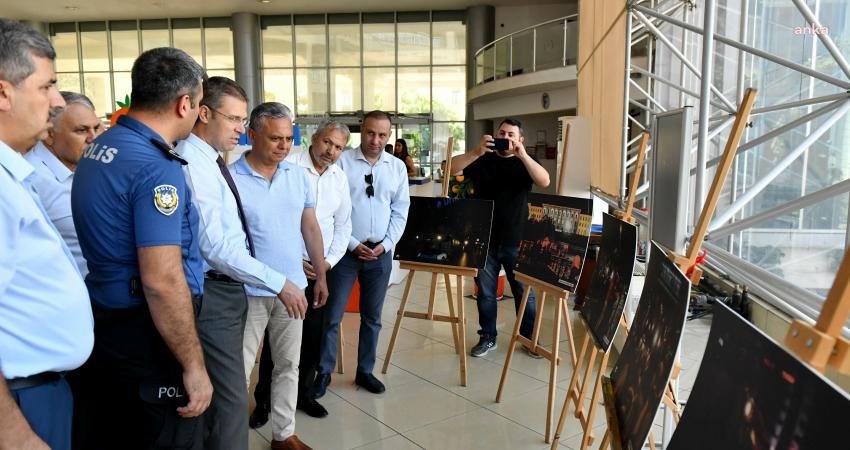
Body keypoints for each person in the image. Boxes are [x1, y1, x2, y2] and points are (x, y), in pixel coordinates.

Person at [71, 47, 213, 449]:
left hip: (107, 321)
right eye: (199, 104)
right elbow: (163, 280)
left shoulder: (102, 146)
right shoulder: (155, 165)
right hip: (148, 332)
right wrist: (193, 365)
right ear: (184, 103)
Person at [175, 77, 306, 450]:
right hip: (227, 288)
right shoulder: (196, 164)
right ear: (203, 113)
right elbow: (215, 244)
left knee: (258, 381)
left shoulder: (213, 162)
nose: (238, 129)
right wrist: (278, 282)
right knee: (231, 396)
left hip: (242, 285)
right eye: (233, 119)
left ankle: (284, 433)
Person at [0, 19, 93, 450]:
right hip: (18, 403)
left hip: (38, 390)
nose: (56, 101)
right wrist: (16, 436)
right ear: (4, 93)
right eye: (46, 86)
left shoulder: (13, 173)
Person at [233, 102, 328, 450]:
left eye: (289, 139)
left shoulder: (297, 176)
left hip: (295, 288)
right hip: (248, 289)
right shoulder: (231, 179)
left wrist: (320, 275)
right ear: (252, 134)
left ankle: (283, 434)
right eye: (275, 138)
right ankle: (230, 438)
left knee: (288, 364)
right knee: (239, 371)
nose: (284, 146)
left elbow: (310, 226)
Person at [312, 110, 410, 398]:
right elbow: (333, 211)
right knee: (332, 314)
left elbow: (400, 211)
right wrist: (353, 244)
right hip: (345, 252)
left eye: (382, 135)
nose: (375, 140)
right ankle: (323, 372)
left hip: (380, 252)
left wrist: (386, 244)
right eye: (370, 133)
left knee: (373, 317)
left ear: (389, 136)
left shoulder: (397, 168)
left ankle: (365, 371)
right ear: (361, 132)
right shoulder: (342, 161)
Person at [450, 118, 550, 358]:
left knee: (524, 293)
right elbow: (449, 169)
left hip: (517, 240)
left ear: (520, 139)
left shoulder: (525, 162)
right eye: (502, 133)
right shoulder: (482, 158)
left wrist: (523, 155)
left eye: (512, 134)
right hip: (484, 239)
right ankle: (488, 337)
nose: (506, 137)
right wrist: (476, 151)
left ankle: (528, 339)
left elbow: (544, 180)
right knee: (485, 293)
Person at [25, 91, 101, 276]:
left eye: (97, 128)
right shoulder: (29, 179)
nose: (93, 138)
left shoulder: (96, 167)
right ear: (49, 135)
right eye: (81, 130)